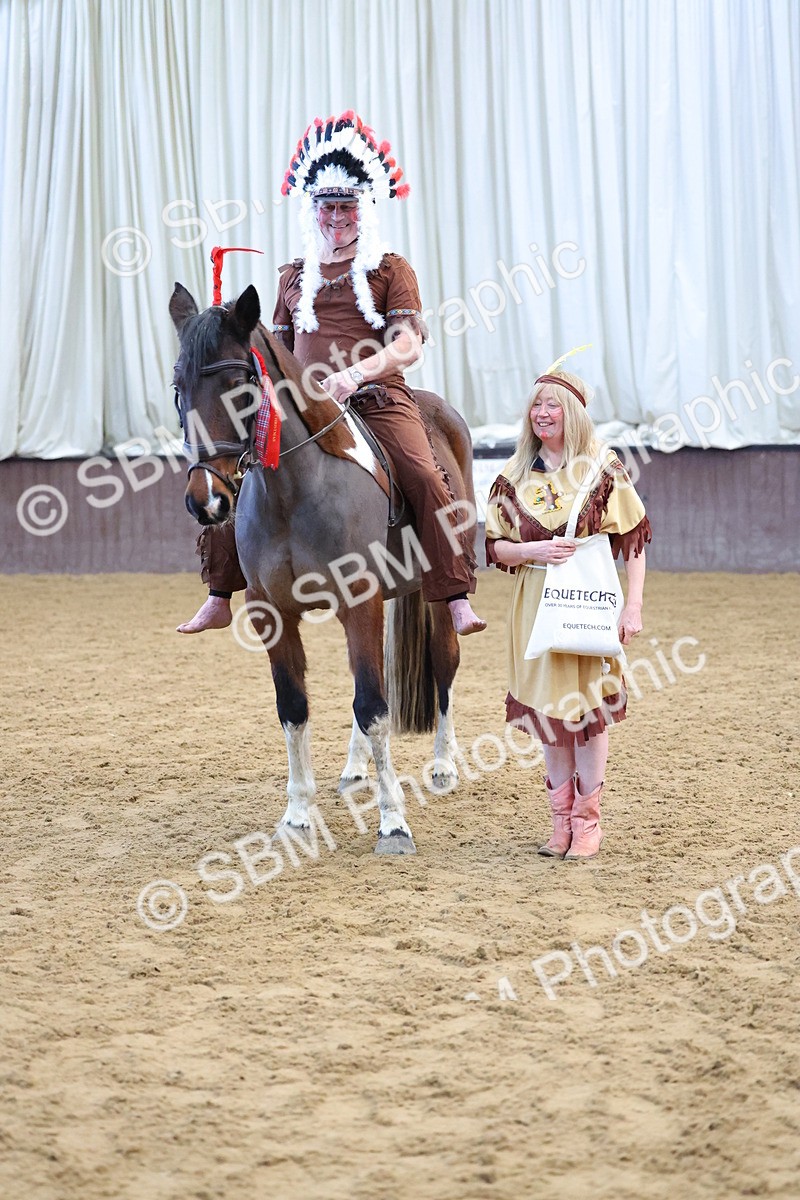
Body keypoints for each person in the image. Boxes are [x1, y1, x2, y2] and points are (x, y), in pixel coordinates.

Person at [178, 111, 485, 637]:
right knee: (230, 465)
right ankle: (220, 590)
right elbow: (274, 349)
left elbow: (408, 344)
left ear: (363, 210)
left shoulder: (392, 269)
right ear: (313, 211)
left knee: (425, 474)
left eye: (346, 206)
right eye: (327, 206)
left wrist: (353, 376)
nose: (336, 216)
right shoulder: (293, 276)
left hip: (377, 398)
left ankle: (453, 591)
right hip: (299, 402)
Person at [484, 369, 651, 859]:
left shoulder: (603, 469)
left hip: (589, 602)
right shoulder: (514, 477)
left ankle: (587, 822)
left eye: (553, 405)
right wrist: (534, 549)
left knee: (588, 715)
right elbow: (496, 549)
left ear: (573, 413)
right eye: (536, 405)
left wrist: (634, 605)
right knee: (550, 716)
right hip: (535, 608)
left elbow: (633, 541)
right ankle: (560, 823)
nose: (542, 414)